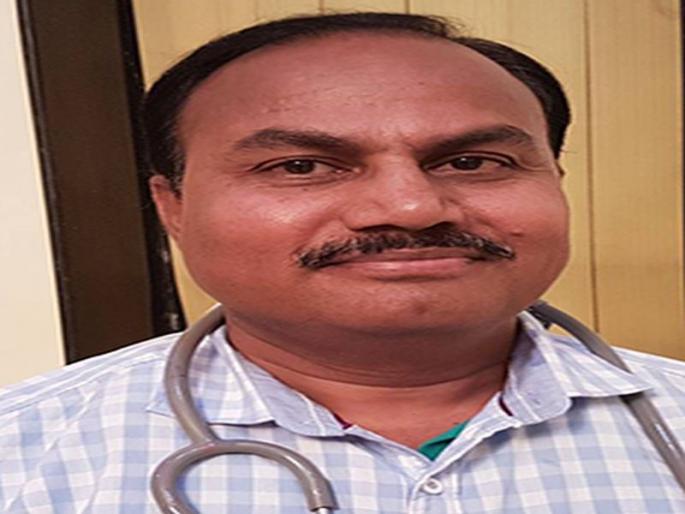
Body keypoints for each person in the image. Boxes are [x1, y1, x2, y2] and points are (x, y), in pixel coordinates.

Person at [1, 11, 684, 513]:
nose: (410, 208)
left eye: (473, 162)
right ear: (172, 206)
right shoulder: (22, 452)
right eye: (301, 166)